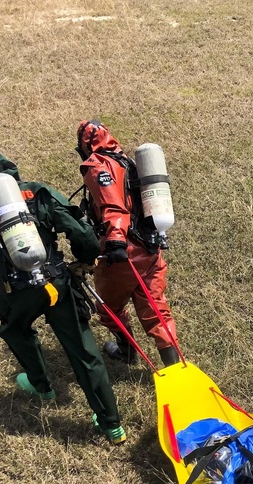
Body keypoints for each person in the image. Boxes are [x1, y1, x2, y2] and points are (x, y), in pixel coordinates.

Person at [0, 147, 126, 445]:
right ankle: (111, 425)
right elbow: (81, 232)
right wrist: (86, 258)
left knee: (15, 330)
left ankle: (41, 385)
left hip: (14, 291)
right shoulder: (39, 192)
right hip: (57, 283)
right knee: (84, 350)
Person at [76, 120, 180, 367]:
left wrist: (115, 242)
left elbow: (113, 205)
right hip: (150, 248)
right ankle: (175, 368)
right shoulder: (126, 160)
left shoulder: (97, 165)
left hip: (125, 254)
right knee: (157, 311)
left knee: (109, 309)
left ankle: (126, 352)